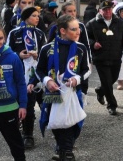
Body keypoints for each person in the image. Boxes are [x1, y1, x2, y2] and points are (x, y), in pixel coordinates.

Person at [36, 15, 90, 160]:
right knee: (55, 120)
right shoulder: (47, 48)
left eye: (78, 28)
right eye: (74, 29)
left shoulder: (81, 48)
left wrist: (76, 79)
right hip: (53, 91)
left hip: (73, 90)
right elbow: (39, 70)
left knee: (73, 121)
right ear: (62, 31)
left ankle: (65, 148)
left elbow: (87, 70)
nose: (78, 32)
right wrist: (47, 81)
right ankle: (66, 150)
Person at [6, 7, 47, 149]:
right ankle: (28, 135)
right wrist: (19, 55)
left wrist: (37, 55)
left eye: (38, 16)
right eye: (34, 16)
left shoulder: (40, 33)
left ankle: (56, 128)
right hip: (20, 74)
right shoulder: (14, 33)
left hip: (36, 74)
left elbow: (46, 52)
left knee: (43, 104)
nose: (37, 18)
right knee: (27, 105)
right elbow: (6, 52)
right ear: (26, 17)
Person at [86, 0, 123, 115]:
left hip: (115, 56)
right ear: (100, 11)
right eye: (105, 10)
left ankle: (100, 90)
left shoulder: (120, 23)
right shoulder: (92, 24)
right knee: (107, 81)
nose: (108, 12)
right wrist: (93, 44)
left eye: (109, 9)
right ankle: (112, 105)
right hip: (100, 58)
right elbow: (86, 38)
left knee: (112, 79)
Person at [0, 25, 27, 161]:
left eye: (0, 38)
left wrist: (23, 105)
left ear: (4, 38)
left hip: (9, 109)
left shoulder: (13, 57)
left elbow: (21, 83)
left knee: (16, 145)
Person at [48, 2, 92, 104]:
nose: (72, 13)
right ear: (63, 12)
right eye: (69, 11)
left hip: (77, 57)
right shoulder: (55, 26)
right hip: (59, 57)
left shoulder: (80, 26)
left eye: (74, 11)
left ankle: (80, 98)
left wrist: (89, 60)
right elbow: (50, 41)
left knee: (80, 80)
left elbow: (86, 43)